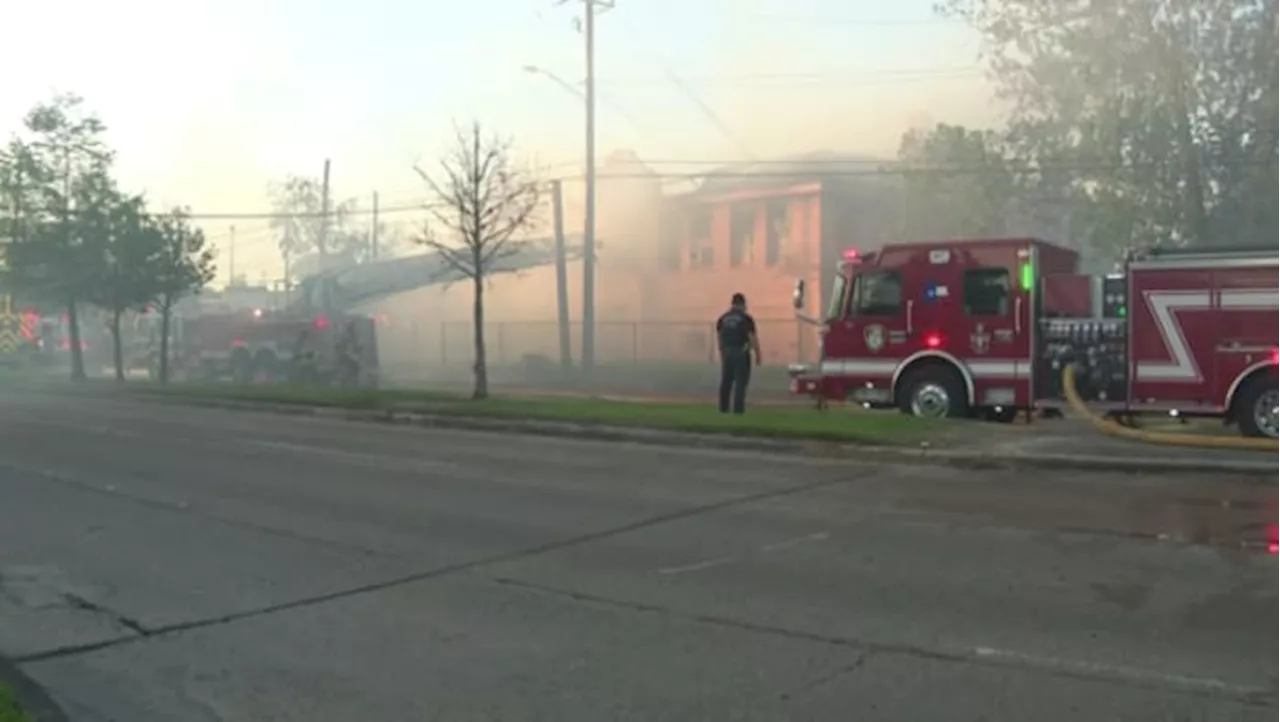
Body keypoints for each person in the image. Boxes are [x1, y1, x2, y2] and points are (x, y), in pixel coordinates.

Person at [715, 292, 760, 414]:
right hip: (741, 351)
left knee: (726, 382)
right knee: (740, 382)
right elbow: (752, 337)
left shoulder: (723, 318)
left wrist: (722, 353)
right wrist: (758, 355)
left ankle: (723, 409)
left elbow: (719, 337)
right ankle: (738, 410)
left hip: (727, 352)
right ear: (742, 304)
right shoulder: (746, 319)